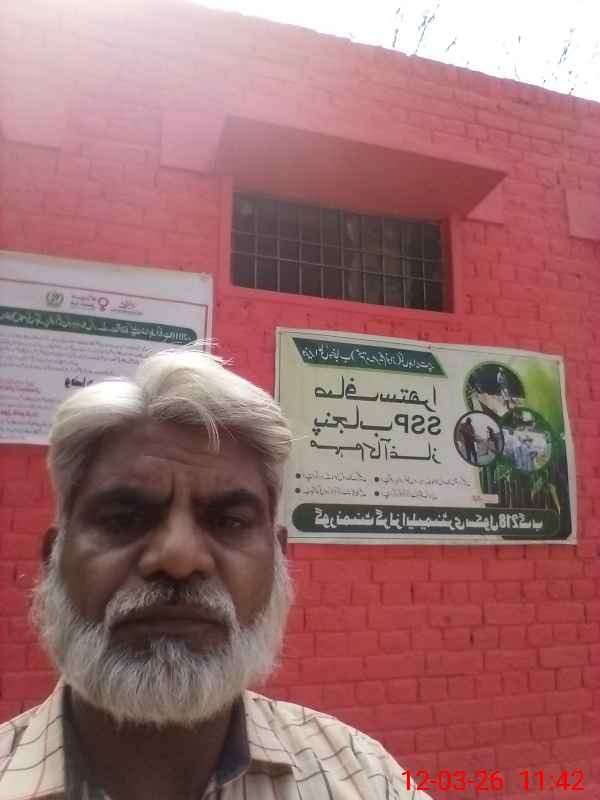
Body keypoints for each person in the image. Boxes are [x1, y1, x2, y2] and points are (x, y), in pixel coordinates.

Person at [0, 347, 431, 800]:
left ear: (278, 561)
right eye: (123, 519)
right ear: (53, 559)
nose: (179, 558)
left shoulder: (366, 779)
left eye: (229, 521)